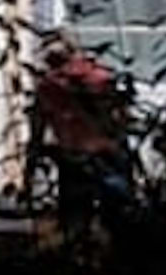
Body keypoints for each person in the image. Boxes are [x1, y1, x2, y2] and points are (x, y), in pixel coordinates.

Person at [29, 35, 132, 237]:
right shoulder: (100, 78)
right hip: (107, 152)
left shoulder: (48, 87)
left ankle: (78, 256)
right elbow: (121, 118)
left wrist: (33, 161)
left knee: (75, 219)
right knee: (118, 218)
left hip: (74, 156)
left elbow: (38, 127)